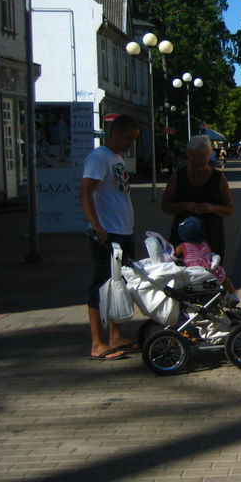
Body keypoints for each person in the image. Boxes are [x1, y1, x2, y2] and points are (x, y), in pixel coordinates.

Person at [80, 114, 141, 360]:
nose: (131, 144)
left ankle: (115, 336)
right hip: (108, 232)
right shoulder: (99, 158)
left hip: (124, 231)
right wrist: (96, 225)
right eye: (129, 138)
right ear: (115, 133)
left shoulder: (117, 158)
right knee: (102, 285)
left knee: (120, 285)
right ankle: (97, 343)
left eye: (134, 139)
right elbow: (85, 191)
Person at [161, 134, 234, 263]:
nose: (197, 160)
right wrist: (185, 206)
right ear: (188, 155)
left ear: (209, 155)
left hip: (211, 237)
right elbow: (165, 206)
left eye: (202, 157)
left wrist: (212, 208)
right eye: (193, 156)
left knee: (211, 274)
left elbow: (228, 209)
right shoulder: (178, 176)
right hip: (183, 236)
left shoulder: (218, 178)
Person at [173, 216, 239, 305]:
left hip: (193, 275)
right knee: (225, 280)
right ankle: (233, 296)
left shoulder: (182, 247)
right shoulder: (205, 244)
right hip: (210, 272)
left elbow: (174, 257)